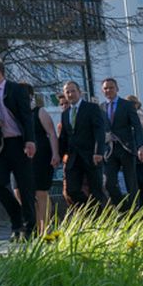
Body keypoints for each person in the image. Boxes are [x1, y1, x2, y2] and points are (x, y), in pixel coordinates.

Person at [0, 57, 39, 241]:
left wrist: (30, 141)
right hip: (1, 146)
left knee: (25, 188)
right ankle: (17, 220)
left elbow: (27, 117)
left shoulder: (16, 89)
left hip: (19, 144)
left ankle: (30, 228)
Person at [56, 81, 107, 209]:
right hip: (73, 158)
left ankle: (101, 217)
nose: (70, 94)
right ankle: (88, 212)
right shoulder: (65, 114)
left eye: (73, 91)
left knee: (96, 191)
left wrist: (98, 152)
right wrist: (58, 156)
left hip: (91, 156)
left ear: (79, 92)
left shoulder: (91, 108)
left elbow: (99, 131)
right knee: (71, 190)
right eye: (67, 92)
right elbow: (64, 137)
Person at [99, 78, 143, 202]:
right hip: (109, 150)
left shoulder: (127, 105)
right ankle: (123, 208)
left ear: (117, 89)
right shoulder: (100, 108)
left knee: (131, 183)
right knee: (108, 183)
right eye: (105, 88)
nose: (108, 90)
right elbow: (99, 130)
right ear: (102, 91)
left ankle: (135, 210)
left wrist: (141, 146)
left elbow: (137, 126)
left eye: (111, 87)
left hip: (126, 148)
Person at [29, 90, 61, 234]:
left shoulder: (39, 112)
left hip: (41, 156)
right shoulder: (16, 113)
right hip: (24, 158)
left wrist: (55, 153)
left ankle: (45, 228)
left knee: (41, 192)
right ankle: (36, 225)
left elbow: (52, 133)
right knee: (22, 192)